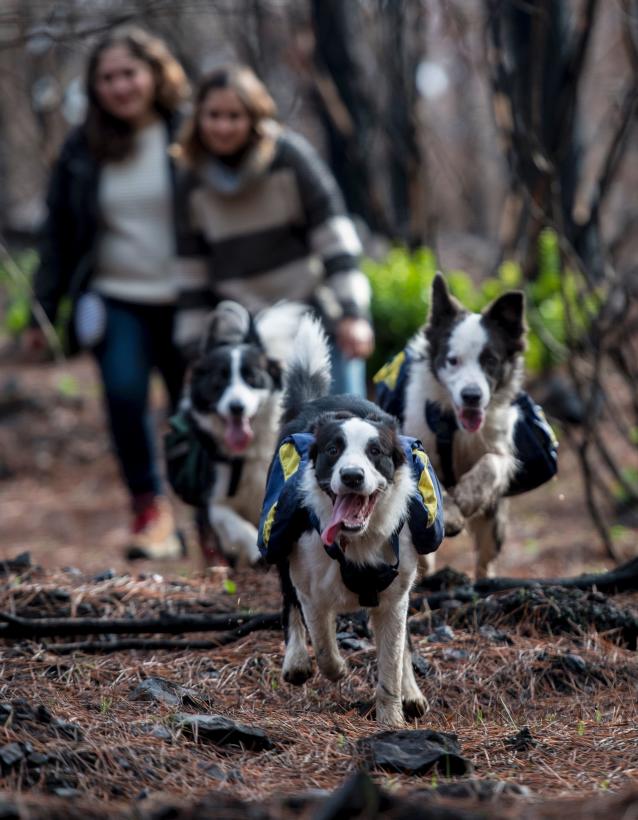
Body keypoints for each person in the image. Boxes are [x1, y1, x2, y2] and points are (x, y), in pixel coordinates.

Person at [23, 27, 191, 560]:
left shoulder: (190, 131)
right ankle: (151, 513)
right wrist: (40, 311)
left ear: (154, 75)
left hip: (191, 299)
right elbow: (59, 235)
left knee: (198, 411)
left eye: (129, 73)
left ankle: (213, 519)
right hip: (117, 298)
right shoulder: (83, 148)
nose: (120, 86)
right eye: (108, 78)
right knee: (123, 395)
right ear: (95, 88)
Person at [172, 64, 374, 394]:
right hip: (242, 335)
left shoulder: (290, 159)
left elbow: (336, 240)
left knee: (345, 417)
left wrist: (354, 314)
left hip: (311, 315)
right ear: (199, 119)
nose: (223, 126)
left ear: (253, 116)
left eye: (234, 116)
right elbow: (191, 273)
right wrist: (195, 351)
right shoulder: (190, 182)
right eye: (214, 115)